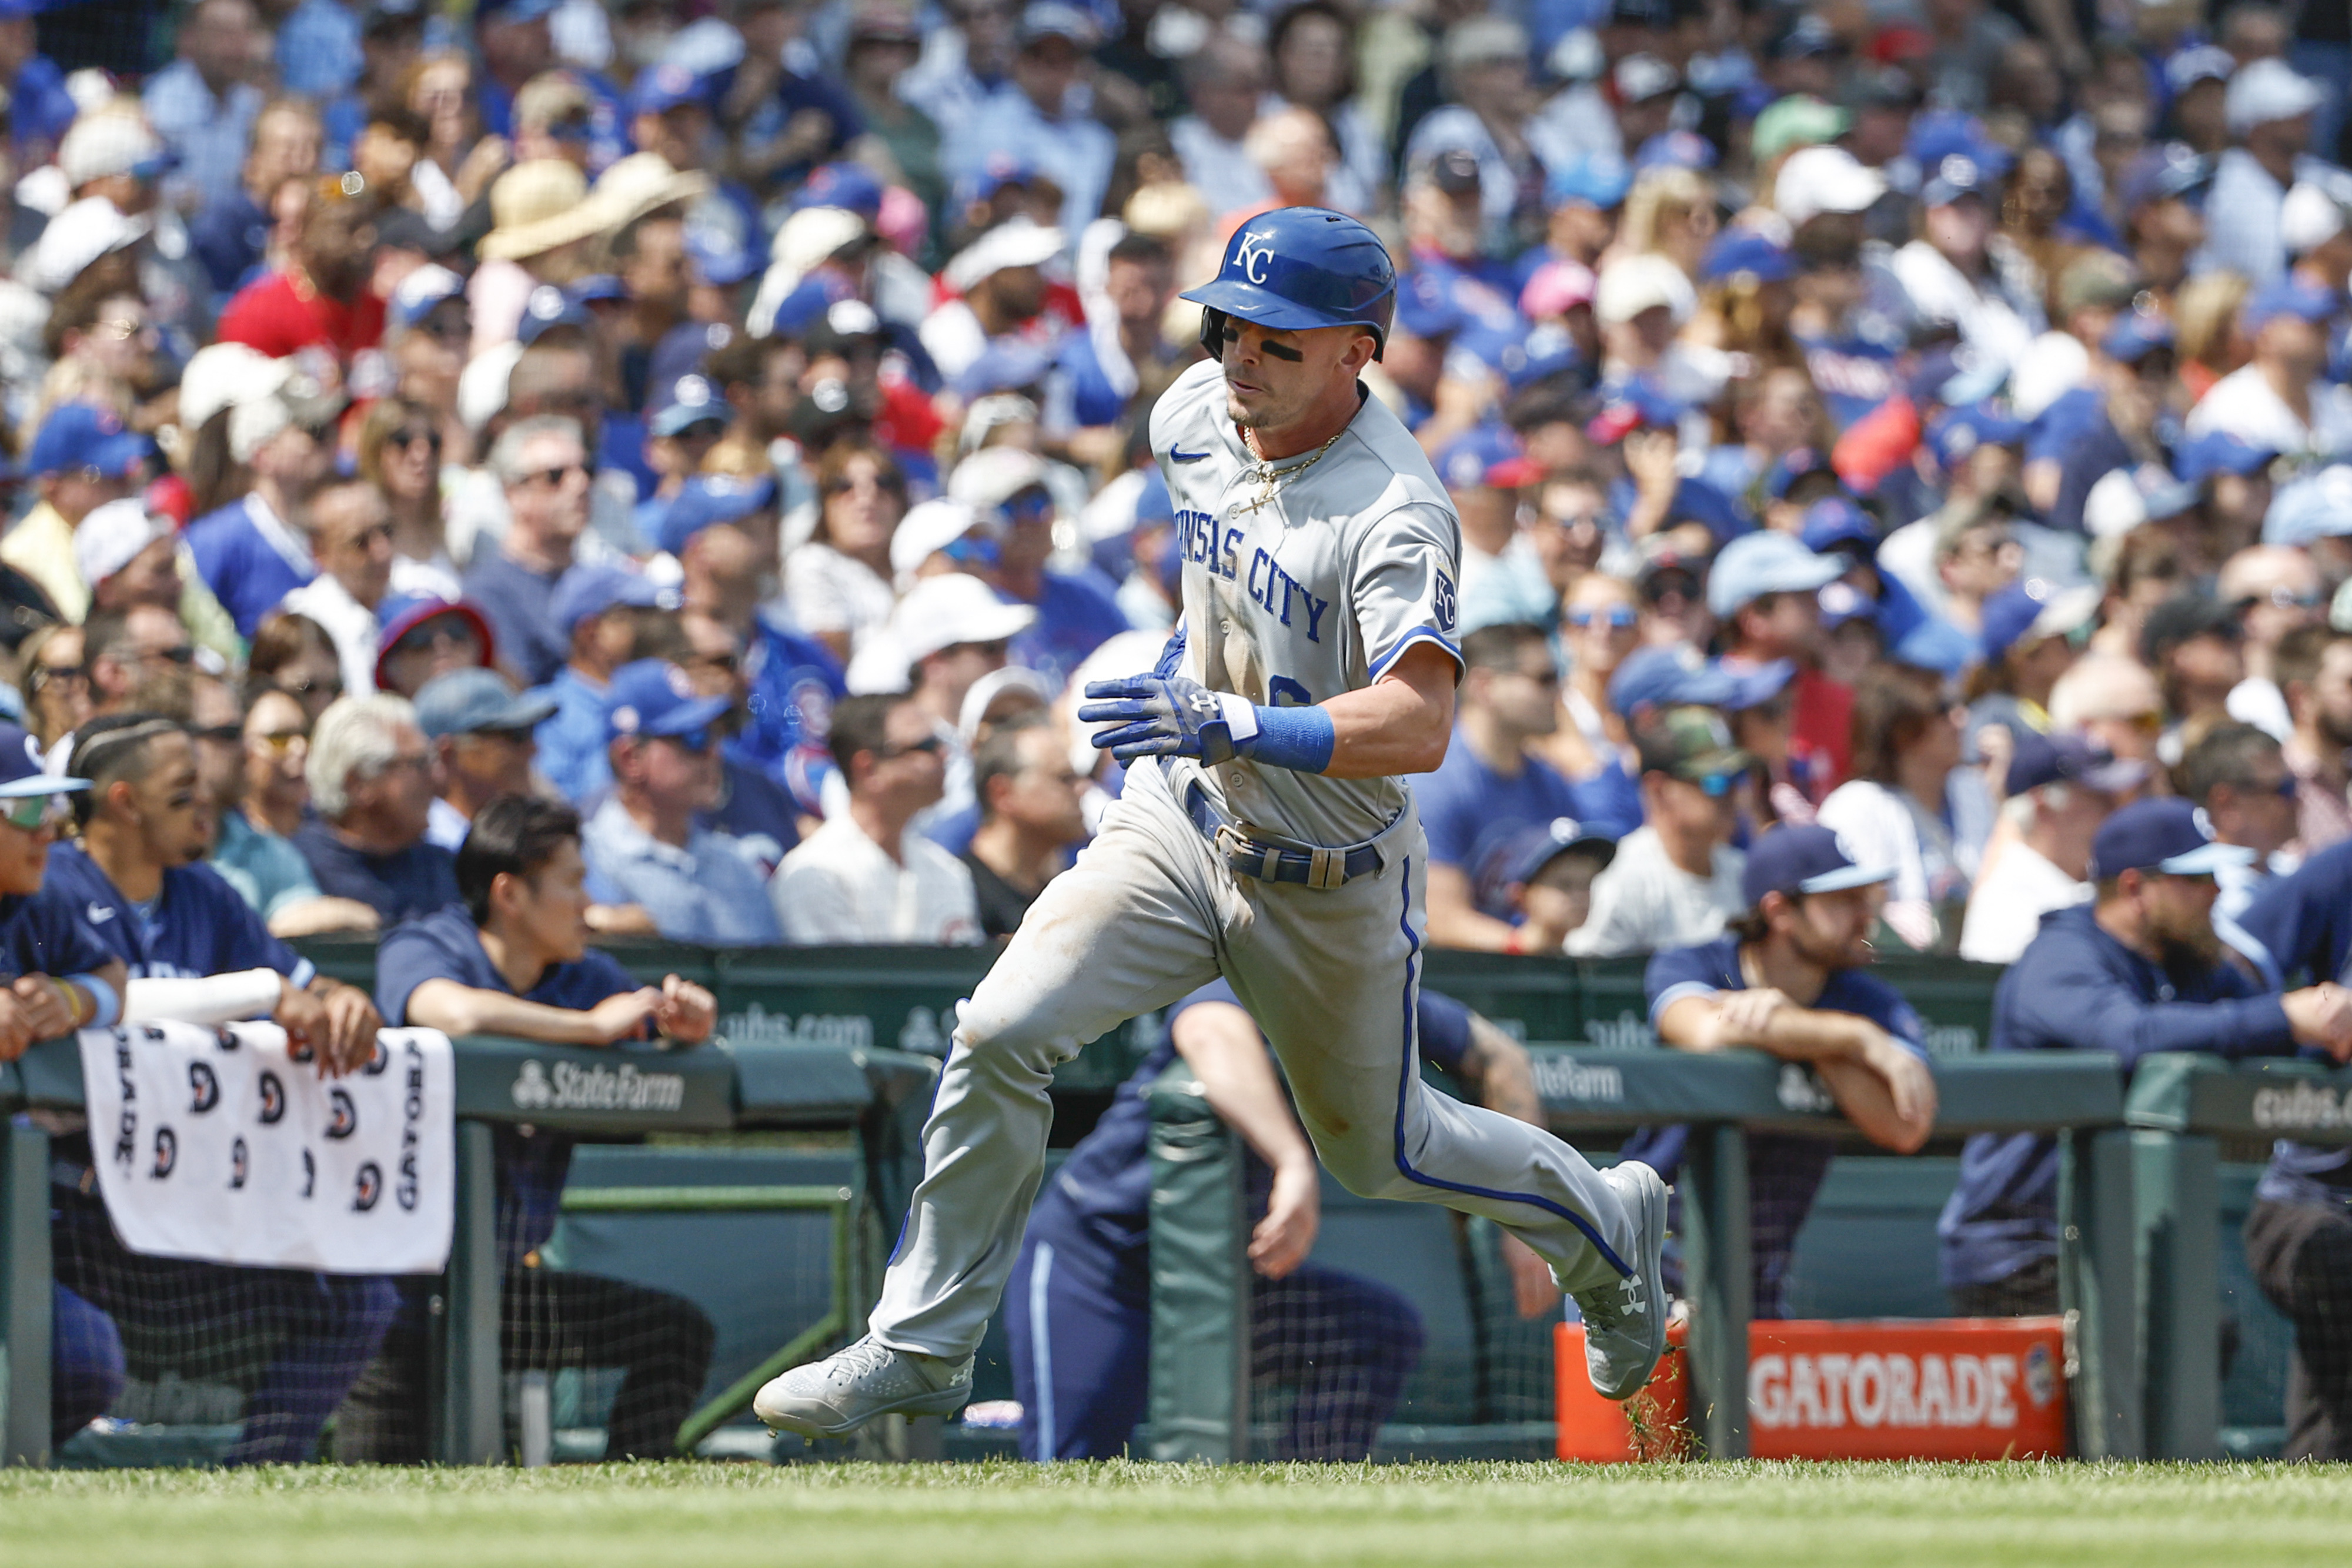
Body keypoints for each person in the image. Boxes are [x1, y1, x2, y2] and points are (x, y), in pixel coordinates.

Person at [755, 208, 1665, 1442]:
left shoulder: (1394, 506)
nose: (1241, 353)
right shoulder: (1190, 412)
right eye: (1228, 322)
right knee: (1000, 1026)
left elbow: (1416, 721)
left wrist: (1238, 718)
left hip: (1330, 867)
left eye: (1279, 339)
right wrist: (1202, 689)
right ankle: (918, 1342)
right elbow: (1221, 584)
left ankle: (1603, 1225)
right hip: (1179, 819)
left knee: (1382, 1152)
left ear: (1358, 349)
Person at [1010, 982, 1553, 1459]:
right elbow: (1209, 1031)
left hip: (1225, 1283)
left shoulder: (1371, 984)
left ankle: (1303, 1506)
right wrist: (1291, 1161)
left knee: (1379, 1335)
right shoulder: (1256, 962)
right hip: (1101, 1266)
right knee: (1071, 1470)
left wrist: (1521, 1213)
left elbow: (1502, 1055)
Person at [339, 794, 717, 1462]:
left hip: (506, 1296)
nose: (587, 904)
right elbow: (446, 1012)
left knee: (674, 1332)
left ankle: (630, 1496)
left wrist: (685, 1027)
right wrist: (588, 1030)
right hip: (398, 1296)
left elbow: (647, 1019)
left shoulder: (582, 973)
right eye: (571, 883)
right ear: (510, 894)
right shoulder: (428, 942)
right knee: (380, 1489)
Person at [1938, 798, 2352, 1316]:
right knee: (2188, 1339)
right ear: (2135, 887)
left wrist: (2328, 1020)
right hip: (2021, 1249)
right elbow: (2132, 1036)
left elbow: (2269, 1029)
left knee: (2207, 1331)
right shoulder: (2060, 956)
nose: (2216, 892)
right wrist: (2287, 1016)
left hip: (2124, 1240)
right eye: (2195, 879)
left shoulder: (2187, 959)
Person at [1640, 824, 1938, 1319]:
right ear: (1779, 911)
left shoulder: (1865, 1000)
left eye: (1865, 896)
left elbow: (1904, 1124)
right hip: (1647, 1257)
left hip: (1760, 1276)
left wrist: (1796, 1031)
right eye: (1842, 900)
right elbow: (1703, 1030)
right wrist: (1853, 1041)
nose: (1865, 915)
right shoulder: (1695, 962)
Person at [1419, 621, 1624, 951]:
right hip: (1448, 985)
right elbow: (1437, 918)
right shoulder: (1436, 781)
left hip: (1521, 979)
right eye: (1545, 679)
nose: (1560, 692)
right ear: (1485, 687)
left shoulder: (1550, 782)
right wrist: (1522, 945)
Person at [580, 658, 780, 945]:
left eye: (716, 736)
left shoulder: (737, 865)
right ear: (631, 759)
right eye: (695, 739)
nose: (715, 754)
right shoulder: (584, 863)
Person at [773, 691, 983, 945]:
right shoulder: (815, 873)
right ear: (868, 768)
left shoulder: (949, 871)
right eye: (926, 747)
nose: (944, 755)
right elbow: (843, 982)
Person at [1818, 664, 1989, 955]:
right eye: (1943, 711)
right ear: (1902, 730)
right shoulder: (1856, 808)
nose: (1961, 719)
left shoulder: (1973, 791)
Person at [1568, 706, 1750, 958]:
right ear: (1659, 790)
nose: (1731, 794)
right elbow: (1591, 981)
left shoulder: (1741, 872)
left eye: (1737, 778)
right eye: (1715, 781)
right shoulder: (1626, 880)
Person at [1957, 733, 2145, 965]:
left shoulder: (2079, 884)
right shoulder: (2010, 906)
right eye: (2098, 799)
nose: (2115, 811)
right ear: (2043, 805)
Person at [211, 687, 379, 937]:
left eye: (306, 735)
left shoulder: (332, 835)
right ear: (242, 751)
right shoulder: (216, 836)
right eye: (279, 739)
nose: (300, 748)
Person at [290, 693, 462, 924]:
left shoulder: (446, 869)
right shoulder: (296, 872)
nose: (437, 777)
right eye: (419, 764)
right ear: (358, 784)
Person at [960, 713, 1087, 940]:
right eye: (1064, 778)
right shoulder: (960, 893)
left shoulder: (1064, 894)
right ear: (1002, 793)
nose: (1081, 789)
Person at [414, 667, 555, 853]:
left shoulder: (532, 831)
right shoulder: (427, 849)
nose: (533, 748)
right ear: (449, 753)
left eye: (530, 731)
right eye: (516, 735)